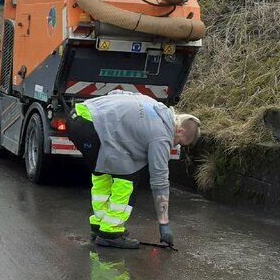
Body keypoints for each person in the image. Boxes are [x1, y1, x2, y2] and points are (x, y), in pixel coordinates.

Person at [67, 90, 202, 249]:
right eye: (180, 142)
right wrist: (163, 222)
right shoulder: (162, 136)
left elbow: (116, 92)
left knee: (103, 173)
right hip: (92, 128)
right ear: (180, 130)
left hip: (78, 116)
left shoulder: (155, 106)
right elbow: (159, 181)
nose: (176, 145)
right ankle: (110, 232)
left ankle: (100, 226)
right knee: (127, 180)